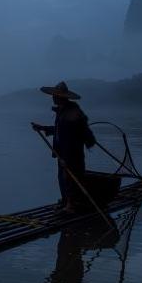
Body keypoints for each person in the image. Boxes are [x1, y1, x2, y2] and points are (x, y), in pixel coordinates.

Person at [31, 81, 96, 213]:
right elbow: (60, 130)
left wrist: (67, 156)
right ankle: (66, 201)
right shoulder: (62, 111)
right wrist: (43, 128)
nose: (53, 98)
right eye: (53, 95)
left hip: (72, 153)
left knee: (71, 178)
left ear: (62, 97)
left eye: (55, 96)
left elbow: (74, 134)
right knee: (62, 178)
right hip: (62, 152)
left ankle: (72, 205)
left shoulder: (72, 111)